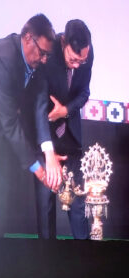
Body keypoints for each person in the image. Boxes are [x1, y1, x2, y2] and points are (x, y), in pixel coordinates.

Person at [0, 14, 63, 237]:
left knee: (0, 212)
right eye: (42, 53)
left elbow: (38, 106)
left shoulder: (37, 62)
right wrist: (40, 171)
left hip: (4, 142)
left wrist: (48, 153)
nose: (44, 59)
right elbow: (9, 122)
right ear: (27, 38)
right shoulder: (2, 58)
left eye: (47, 55)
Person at [37, 19, 93, 239]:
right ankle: (46, 255)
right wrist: (48, 152)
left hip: (71, 137)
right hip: (46, 137)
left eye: (82, 60)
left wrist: (65, 111)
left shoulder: (86, 54)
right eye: (73, 59)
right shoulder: (47, 55)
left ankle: (84, 254)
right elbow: (39, 104)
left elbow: (84, 92)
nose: (78, 65)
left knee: (79, 205)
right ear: (63, 43)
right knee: (46, 205)